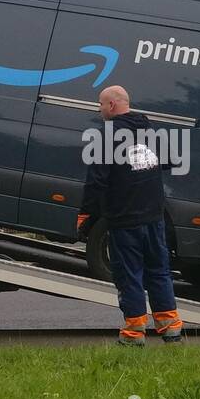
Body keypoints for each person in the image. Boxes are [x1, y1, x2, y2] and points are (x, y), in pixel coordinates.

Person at [78, 86, 183, 347]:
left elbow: (96, 182)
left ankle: (134, 333)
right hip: (154, 217)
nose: (99, 110)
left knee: (130, 274)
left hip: (125, 218)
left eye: (101, 105)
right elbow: (170, 161)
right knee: (159, 271)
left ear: (112, 105)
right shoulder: (150, 130)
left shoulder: (107, 135)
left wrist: (86, 214)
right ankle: (171, 329)